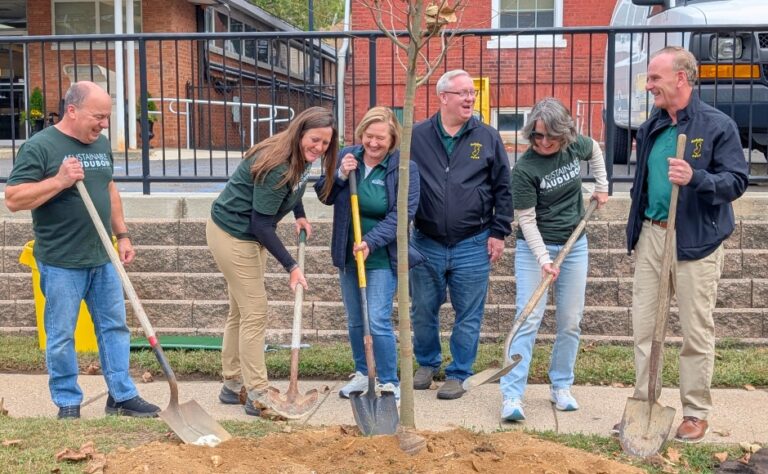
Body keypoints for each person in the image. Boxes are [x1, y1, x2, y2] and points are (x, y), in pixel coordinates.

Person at [5, 81, 160, 419]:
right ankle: (67, 401)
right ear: (72, 111)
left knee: (114, 328)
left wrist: (123, 235)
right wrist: (60, 180)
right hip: (61, 261)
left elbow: (109, 187)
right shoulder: (40, 147)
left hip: (102, 255)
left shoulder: (99, 143)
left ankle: (121, 396)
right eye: (98, 116)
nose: (104, 124)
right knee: (61, 335)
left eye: (107, 117)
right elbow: (14, 199)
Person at [620, 46, 748, 442]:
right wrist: (636, 230)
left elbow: (736, 181)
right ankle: (644, 403)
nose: (649, 85)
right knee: (644, 328)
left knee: (695, 331)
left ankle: (695, 411)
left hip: (697, 241)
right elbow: (642, 186)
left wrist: (696, 178)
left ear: (681, 78)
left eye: (655, 77)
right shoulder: (651, 128)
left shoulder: (717, 125)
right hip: (653, 235)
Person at [206, 106, 338, 416]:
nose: (318, 148)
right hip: (233, 234)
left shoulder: (298, 158)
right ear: (300, 132)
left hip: (246, 234)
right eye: (314, 140)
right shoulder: (278, 164)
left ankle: (232, 384)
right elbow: (261, 225)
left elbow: (295, 187)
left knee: (240, 311)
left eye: (325, 144)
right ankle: (257, 393)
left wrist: (300, 214)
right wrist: (292, 266)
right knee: (255, 312)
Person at [498, 98, 609, 422]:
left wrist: (602, 186)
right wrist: (545, 259)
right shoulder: (525, 169)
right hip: (536, 249)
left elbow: (596, 152)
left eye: (551, 137)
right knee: (528, 317)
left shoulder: (574, 147)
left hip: (575, 245)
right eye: (537, 135)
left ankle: (561, 386)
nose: (544, 142)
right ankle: (512, 395)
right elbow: (526, 221)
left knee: (570, 321)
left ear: (565, 134)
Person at [409, 69, 513, 400]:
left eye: (472, 92)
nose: (470, 98)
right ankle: (426, 363)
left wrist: (499, 232)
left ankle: (459, 372)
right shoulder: (418, 135)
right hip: (426, 241)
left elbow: (503, 188)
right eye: (462, 93)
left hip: (473, 241)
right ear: (443, 97)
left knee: (468, 313)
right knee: (423, 308)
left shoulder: (487, 136)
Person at [315, 106, 423, 404]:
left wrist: (371, 242)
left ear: (392, 140)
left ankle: (388, 379)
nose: (373, 144)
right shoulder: (347, 157)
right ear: (361, 133)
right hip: (349, 255)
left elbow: (403, 215)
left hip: (380, 256)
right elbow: (323, 196)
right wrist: (339, 175)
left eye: (381, 138)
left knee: (376, 319)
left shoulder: (403, 168)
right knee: (355, 320)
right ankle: (363, 372)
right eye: (369, 136)